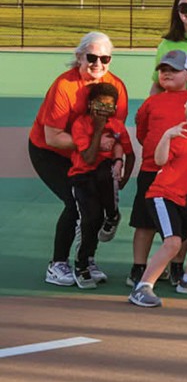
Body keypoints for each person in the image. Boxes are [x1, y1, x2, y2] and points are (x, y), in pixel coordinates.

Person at [29, 31, 132, 286]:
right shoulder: (64, 86)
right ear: (79, 57)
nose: (98, 64)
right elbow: (52, 137)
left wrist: (117, 161)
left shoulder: (115, 87)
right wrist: (92, 143)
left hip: (91, 153)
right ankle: (57, 264)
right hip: (51, 152)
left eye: (105, 58)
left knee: (95, 205)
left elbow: (115, 130)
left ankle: (86, 259)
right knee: (76, 203)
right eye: (92, 57)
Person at [128, 96, 187, 308]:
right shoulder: (178, 137)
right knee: (173, 243)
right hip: (162, 196)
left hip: (180, 200)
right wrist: (166, 136)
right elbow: (160, 160)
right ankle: (142, 287)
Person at [128, 50, 187, 288]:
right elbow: (142, 133)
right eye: (163, 70)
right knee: (144, 222)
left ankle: (176, 266)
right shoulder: (151, 102)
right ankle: (139, 267)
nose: (167, 73)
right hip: (151, 169)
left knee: (182, 224)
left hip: (183, 174)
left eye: (174, 70)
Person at [68, 82, 134, 288]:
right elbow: (87, 158)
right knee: (91, 220)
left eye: (109, 105)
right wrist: (97, 130)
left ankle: (113, 215)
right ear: (90, 104)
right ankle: (82, 264)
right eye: (99, 103)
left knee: (107, 172)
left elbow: (129, 152)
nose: (104, 108)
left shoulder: (117, 126)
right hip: (82, 177)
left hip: (105, 176)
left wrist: (124, 174)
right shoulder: (81, 124)